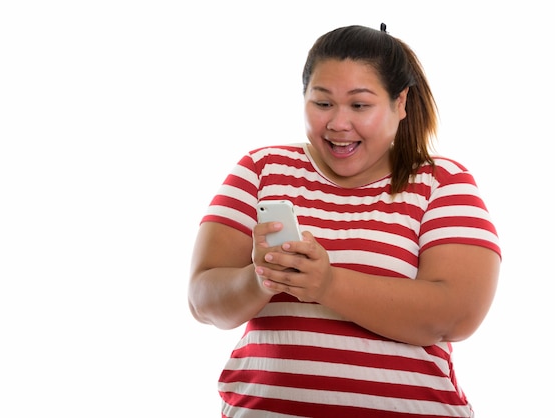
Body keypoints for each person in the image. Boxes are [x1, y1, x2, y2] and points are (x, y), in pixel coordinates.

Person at [188, 23, 501, 418]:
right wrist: (260, 278)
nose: (337, 123)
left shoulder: (441, 183)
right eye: (322, 104)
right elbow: (202, 300)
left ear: (400, 102)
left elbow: (456, 315)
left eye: (359, 105)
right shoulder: (261, 169)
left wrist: (328, 283)